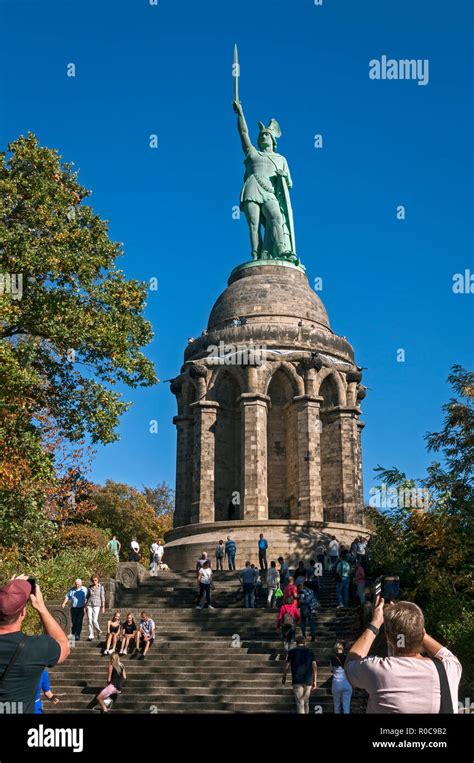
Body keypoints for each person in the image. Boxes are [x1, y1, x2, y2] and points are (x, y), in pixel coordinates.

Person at [345, 599, 462, 713]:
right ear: (422, 631)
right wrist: (415, 629)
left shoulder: (377, 669)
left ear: (388, 637)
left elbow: (350, 663)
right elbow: (444, 653)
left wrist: (375, 623)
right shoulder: (449, 668)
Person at [0, 576, 70, 714]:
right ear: (23, 613)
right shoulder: (36, 647)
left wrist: (6, 593)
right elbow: (64, 647)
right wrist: (41, 607)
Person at [282, 635, 317, 714]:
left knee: (300, 703)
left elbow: (287, 666)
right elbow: (314, 666)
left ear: (296, 642)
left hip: (297, 680)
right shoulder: (310, 652)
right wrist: (315, 680)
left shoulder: (291, 652)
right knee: (306, 702)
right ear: (304, 642)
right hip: (308, 680)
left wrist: (284, 677)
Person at [331, 641, 352, 714]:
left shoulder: (332, 658)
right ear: (342, 649)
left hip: (336, 683)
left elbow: (331, 670)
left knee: (337, 706)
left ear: (335, 649)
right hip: (347, 683)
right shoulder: (347, 657)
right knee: (346, 707)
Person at [86, 575, 105, 641]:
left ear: (98, 580)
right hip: (89, 604)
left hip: (97, 604)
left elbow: (102, 597)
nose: (94, 581)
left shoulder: (101, 587)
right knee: (89, 620)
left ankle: (99, 631)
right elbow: (87, 597)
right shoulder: (90, 587)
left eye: (96, 580)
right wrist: (85, 606)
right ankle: (91, 634)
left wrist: (103, 607)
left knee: (94, 620)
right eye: (93, 580)